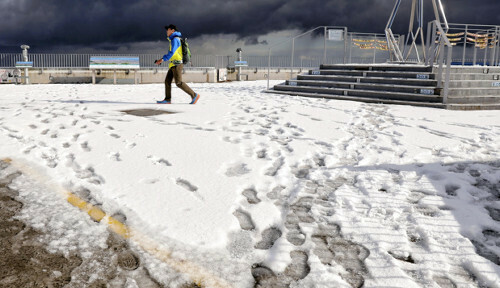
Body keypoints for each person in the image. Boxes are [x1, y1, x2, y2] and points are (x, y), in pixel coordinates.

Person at [155, 24, 200, 104]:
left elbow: (172, 53)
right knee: (167, 81)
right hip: (173, 64)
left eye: (168, 30)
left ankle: (194, 95)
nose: (167, 31)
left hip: (177, 64)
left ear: (173, 31)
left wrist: (162, 59)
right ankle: (167, 99)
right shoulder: (173, 40)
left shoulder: (175, 40)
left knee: (178, 83)